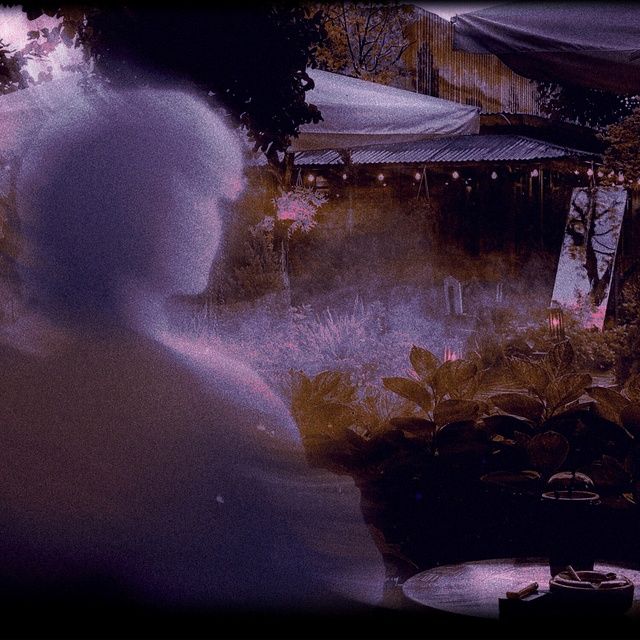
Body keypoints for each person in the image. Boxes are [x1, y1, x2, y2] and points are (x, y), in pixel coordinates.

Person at [0, 76, 385, 636]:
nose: (218, 219)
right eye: (208, 194)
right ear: (154, 204)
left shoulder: (13, 373)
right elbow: (340, 587)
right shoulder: (214, 401)